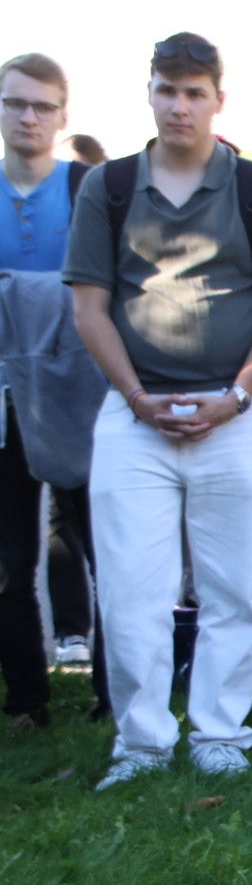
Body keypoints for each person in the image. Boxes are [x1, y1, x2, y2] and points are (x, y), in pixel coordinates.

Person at [64, 33, 252, 789]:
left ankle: (219, 735)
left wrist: (235, 397)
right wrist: (138, 399)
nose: (179, 105)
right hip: (133, 415)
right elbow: (89, 311)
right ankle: (140, 745)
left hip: (238, 411)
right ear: (149, 93)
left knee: (234, 587)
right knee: (133, 588)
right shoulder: (106, 188)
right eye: (167, 90)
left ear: (217, 100)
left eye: (194, 92)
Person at [0, 52, 105, 725]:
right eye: (16, 104)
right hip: (6, 403)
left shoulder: (87, 190)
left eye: (42, 105)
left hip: (82, 397)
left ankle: (115, 692)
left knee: (108, 550)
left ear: (63, 114)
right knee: (9, 561)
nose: (29, 117)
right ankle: (27, 701)